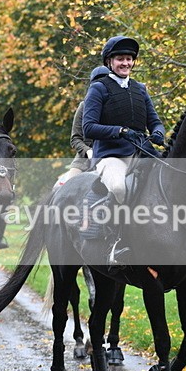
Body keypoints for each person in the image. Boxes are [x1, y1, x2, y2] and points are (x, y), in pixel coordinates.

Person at [81, 36, 167, 266]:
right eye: (120, 59)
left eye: (129, 59)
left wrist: (158, 132)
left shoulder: (140, 89)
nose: (126, 63)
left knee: (174, 178)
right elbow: (87, 127)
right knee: (119, 187)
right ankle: (117, 241)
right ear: (110, 62)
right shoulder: (99, 89)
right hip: (111, 156)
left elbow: (155, 121)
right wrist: (119, 131)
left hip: (142, 154)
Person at [55, 65, 111, 188]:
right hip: (84, 160)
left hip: (112, 154)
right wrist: (88, 151)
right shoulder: (84, 106)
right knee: (68, 188)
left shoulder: (117, 106)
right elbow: (75, 138)